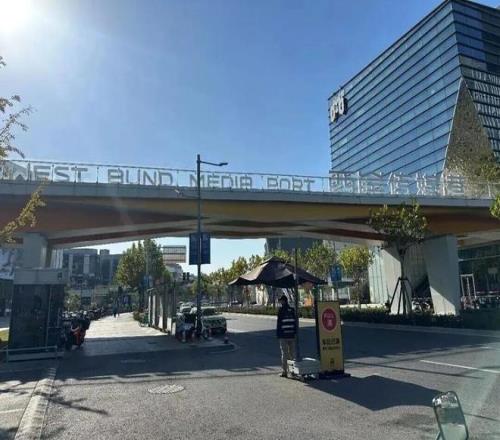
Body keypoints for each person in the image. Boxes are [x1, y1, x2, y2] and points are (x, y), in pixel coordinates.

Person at [276, 294, 297, 378]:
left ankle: (284, 371)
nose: (280, 302)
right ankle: (293, 371)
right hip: (291, 334)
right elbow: (295, 322)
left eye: (280, 300)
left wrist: (278, 334)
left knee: (284, 354)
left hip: (283, 335)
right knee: (292, 353)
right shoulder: (292, 310)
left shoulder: (281, 310)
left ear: (283, 301)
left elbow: (279, 324)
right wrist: (295, 333)